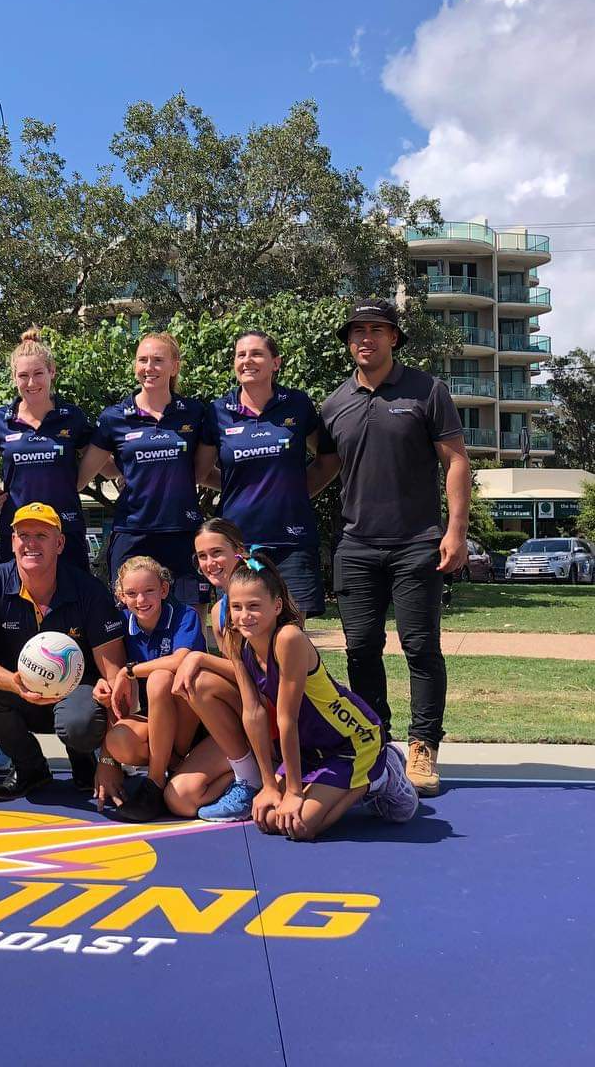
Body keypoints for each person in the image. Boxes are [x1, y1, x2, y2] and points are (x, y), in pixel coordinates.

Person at [311, 299, 471, 796]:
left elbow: (456, 461)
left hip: (416, 544)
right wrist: (267, 498)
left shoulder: (427, 390)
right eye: (357, 331)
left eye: (376, 330)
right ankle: (377, 741)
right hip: (355, 546)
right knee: (361, 649)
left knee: (420, 647)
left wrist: (456, 531)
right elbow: (323, 470)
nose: (366, 338)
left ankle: (423, 745)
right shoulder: (334, 404)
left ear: (394, 338)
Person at [222, 551, 419, 840]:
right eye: (236, 607)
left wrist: (293, 792)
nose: (244, 615)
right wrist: (268, 786)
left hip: (352, 740)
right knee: (270, 819)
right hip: (310, 747)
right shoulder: (238, 641)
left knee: (299, 826)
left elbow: (286, 718)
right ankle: (344, 784)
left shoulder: (288, 639)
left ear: (277, 606)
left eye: (254, 605)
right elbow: (253, 713)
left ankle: (382, 774)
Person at [0, 502, 127, 802]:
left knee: (80, 722)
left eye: (41, 535)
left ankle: (84, 759)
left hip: (76, 695)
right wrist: (14, 683)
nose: (31, 543)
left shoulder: (89, 590)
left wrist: (110, 760)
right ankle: (30, 766)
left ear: (59, 544)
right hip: (18, 690)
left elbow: (116, 676)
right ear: (13, 542)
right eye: (23, 535)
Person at [195, 330, 326, 617]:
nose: (247, 361)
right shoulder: (218, 412)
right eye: (240, 355)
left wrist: (295, 490)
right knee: (243, 627)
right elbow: (201, 473)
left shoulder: (297, 404)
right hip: (240, 545)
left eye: (256, 354)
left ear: (275, 363)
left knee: (291, 630)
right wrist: (237, 487)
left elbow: (327, 460)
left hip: (292, 541)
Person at [78, 332, 209, 609]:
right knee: (129, 620)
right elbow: (81, 477)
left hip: (183, 531)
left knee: (190, 621)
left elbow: (200, 472)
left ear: (174, 366)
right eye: (142, 360)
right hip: (133, 532)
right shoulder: (114, 418)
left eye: (158, 360)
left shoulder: (195, 413)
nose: (149, 367)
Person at [165, 519, 274, 821]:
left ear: (239, 551)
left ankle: (259, 778)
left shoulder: (266, 596)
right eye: (202, 556)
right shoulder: (218, 611)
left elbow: (268, 675)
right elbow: (240, 675)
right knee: (181, 798)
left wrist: (199, 659)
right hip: (245, 711)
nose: (209, 563)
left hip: (280, 712)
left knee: (199, 681)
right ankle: (251, 773)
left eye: (216, 553)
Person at [0, 328, 94, 571]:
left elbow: (103, 460)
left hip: (65, 529)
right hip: (18, 530)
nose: (31, 383)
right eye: (23, 375)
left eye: (38, 373)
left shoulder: (72, 417)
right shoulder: (1, 420)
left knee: (73, 594)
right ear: (14, 377)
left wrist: (125, 470)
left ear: (52, 371)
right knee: (14, 594)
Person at [96, 556, 206, 822]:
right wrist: (106, 760)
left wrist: (129, 671)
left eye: (149, 591)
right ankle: (174, 765)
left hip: (195, 714)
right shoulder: (121, 623)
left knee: (160, 679)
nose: (141, 600)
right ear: (121, 596)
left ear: (164, 590)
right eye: (132, 593)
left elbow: (180, 660)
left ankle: (155, 782)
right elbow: (109, 673)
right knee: (119, 740)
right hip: (158, 716)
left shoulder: (184, 616)